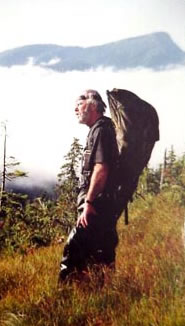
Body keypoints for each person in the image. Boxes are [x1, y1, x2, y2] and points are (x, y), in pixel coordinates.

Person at [59, 89, 119, 283]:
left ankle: (64, 293)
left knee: (74, 247)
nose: (75, 108)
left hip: (97, 203)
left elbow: (101, 169)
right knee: (100, 249)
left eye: (79, 103)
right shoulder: (100, 129)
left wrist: (89, 202)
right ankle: (103, 290)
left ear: (92, 105)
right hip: (102, 203)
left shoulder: (101, 130)